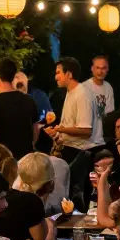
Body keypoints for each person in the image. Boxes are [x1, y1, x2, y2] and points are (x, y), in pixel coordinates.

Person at [45, 57, 101, 204]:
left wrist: (61, 129)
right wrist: (57, 133)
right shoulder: (70, 92)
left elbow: (86, 130)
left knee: (76, 199)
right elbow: (71, 126)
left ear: (69, 74)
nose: (56, 77)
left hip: (80, 153)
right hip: (69, 149)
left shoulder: (82, 94)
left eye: (58, 72)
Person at [0, 57, 39, 161]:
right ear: (13, 76)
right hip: (26, 159)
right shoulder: (29, 100)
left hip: (3, 161)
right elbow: (35, 130)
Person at [13, 71, 53, 154]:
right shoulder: (9, 99)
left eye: (20, 77)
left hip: (38, 144)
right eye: (15, 77)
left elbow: (49, 117)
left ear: (27, 81)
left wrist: (40, 125)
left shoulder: (39, 96)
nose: (18, 78)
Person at [82, 55, 114, 138]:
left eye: (103, 68)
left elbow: (109, 113)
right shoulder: (84, 87)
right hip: (86, 135)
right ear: (92, 69)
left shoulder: (108, 87)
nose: (100, 71)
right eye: (97, 68)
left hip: (102, 135)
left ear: (107, 69)